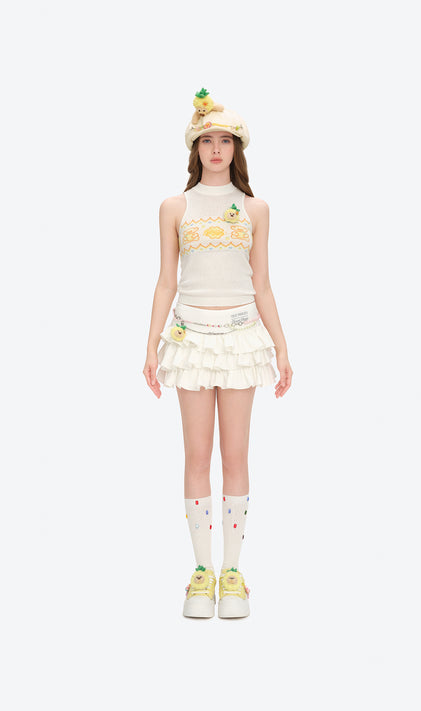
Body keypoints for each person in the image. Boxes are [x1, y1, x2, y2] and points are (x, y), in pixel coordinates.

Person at [143, 88, 293, 619]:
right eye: (207, 140)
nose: (215, 149)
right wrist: (151, 344)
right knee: (196, 456)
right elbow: (166, 281)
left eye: (225, 141)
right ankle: (201, 572)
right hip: (190, 339)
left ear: (236, 148)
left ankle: (233, 573)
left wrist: (281, 347)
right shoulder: (174, 207)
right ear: (195, 147)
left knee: (235, 456)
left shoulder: (255, 209)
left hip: (240, 337)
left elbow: (262, 283)